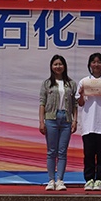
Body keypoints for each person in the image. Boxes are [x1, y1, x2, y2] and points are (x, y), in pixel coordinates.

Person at [76, 53, 101, 192]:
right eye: (93, 62)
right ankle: (89, 180)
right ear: (89, 65)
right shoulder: (84, 81)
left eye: (99, 62)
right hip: (88, 123)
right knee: (88, 154)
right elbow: (80, 103)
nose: (96, 65)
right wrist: (81, 94)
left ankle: (100, 179)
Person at [38, 55, 78, 191]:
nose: (58, 66)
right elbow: (42, 103)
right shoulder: (47, 83)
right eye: (55, 64)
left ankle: (60, 180)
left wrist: (75, 120)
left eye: (60, 64)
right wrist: (41, 121)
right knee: (51, 151)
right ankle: (51, 180)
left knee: (62, 151)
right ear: (51, 66)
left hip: (66, 119)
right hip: (51, 119)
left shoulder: (71, 84)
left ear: (64, 66)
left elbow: (75, 104)